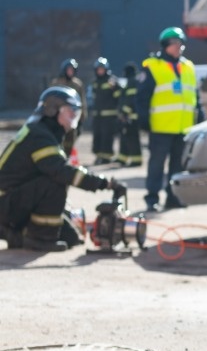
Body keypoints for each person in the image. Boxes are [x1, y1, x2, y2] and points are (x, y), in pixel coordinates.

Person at [0, 87, 126, 252]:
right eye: (70, 111)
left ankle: (16, 234)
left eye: (76, 111)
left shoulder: (44, 131)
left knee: (70, 238)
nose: (74, 116)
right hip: (6, 205)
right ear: (53, 110)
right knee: (55, 182)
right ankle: (38, 239)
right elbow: (63, 171)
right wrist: (104, 183)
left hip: (13, 201)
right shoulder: (39, 135)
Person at [135, 26, 198, 213]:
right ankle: (152, 198)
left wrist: (199, 115)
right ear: (165, 46)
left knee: (177, 167)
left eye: (181, 44)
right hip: (161, 127)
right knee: (156, 165)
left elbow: (195, 96)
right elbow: (141, 97)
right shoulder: (153, 66)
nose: (179, 47)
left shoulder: (188, 67)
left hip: (183, 128)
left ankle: (173, 198)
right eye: (175, 44)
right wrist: (144, 120)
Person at [89, 57, 122, 165]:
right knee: (97, 136)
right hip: (97, 115)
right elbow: (92, 97)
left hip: (109, 115)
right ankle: (98, 156)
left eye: (102, 69)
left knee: (107, 137)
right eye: (98, 69)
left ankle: (106, 157)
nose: (100, 71)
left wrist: (114, 89)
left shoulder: (112, 81)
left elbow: (119, 97)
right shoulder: (95, 83)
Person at [50, 58, 86, 156]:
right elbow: (50, 99)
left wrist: (82, 118)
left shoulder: (77, 84)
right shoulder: (56, 83)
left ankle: (66, 157)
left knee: (70, 138)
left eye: (72, 70)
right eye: (68, 69)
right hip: (58, 117)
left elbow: (82, 101)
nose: (70, 72)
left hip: (72, 117)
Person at [117, 63, 143, 167]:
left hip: (131, 117)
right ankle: (123, 158)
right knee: (126, 138)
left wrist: (124, 113)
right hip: (129, 117)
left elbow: (130, 101)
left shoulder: (132, 83)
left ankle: (136, 160)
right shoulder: (132, 82)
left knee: (133, 139)